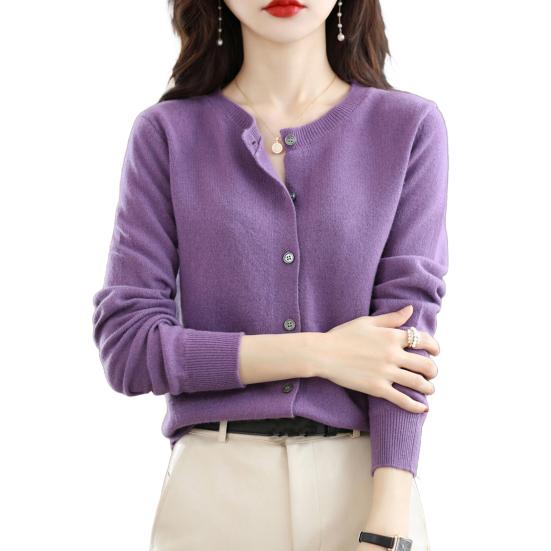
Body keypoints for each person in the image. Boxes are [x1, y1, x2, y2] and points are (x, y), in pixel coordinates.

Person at [91, 1, 449, 550]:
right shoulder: (166, 135)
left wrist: (386, 530)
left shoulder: (409, 129)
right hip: (212, 497)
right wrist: (319, 353)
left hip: (366, 492)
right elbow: (128, 347)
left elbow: (406, 344)